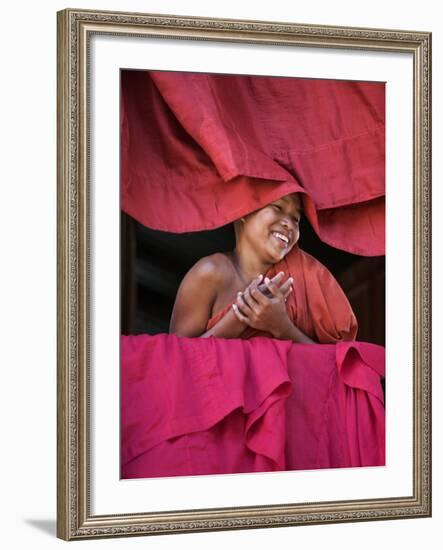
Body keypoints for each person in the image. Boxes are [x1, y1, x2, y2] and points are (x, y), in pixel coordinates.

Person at [169, 193, 358, 343]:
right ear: (244, 210)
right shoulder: (209, 273)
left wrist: (282, 328)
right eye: (277, 207)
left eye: (296, 219)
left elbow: (331, 370)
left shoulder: (303, 277)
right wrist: (237, 320)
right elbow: (175, 364)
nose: (288, 224)